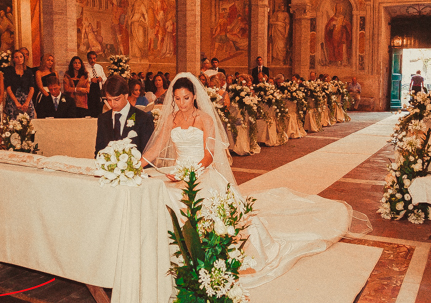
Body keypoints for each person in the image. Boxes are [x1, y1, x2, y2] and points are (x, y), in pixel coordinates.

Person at [141, 73, 351, 288]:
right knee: (162, 198)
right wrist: (134, 166)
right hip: (178, 173)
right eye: (177, 98)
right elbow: (156, 148)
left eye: (185, 98)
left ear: (194, 96)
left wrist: (191, 173)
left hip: (201, 172)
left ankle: (207, 256)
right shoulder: (171, 118)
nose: (181, 103)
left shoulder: (204, 119)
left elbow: (209, 155)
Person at [94, 74, 154, 155]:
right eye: (109, 100)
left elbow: (148, 153)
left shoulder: (143, 118)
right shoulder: (103, 119)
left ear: (126, 95)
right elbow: (99, 152)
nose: (112, 104)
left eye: (116, 99)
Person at [3, 48, 35, 120]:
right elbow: (8, 88)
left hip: (26, 99)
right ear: (13, 59)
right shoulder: (9, 71)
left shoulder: (28, 72)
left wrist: (27, 102)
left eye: (21, 56)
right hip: (14, 99)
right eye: (16, 57)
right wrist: (16, 102)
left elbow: (32, 88)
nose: (19, 59)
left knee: (28, 122)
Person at [86, 50, 107, 117]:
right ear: (88, 59)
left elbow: (105, 78)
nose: (92, 60)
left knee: (99, 108)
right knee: (91, 108)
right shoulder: (85, 68)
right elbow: (83, 80)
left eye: (94, 58)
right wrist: (90, 80)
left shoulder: (99, 67)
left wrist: (101, 79)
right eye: (91, 58)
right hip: (90, 91)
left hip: (98, 91)